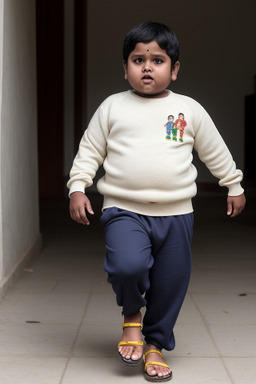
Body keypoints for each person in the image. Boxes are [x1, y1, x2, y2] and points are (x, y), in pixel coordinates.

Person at [67, 22, 246, 382]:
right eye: (138, 59)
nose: (147, 67)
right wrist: (77, 186)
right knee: (127, 266)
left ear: (174, 70)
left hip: (177, 213)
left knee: (170, 282)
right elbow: (89, 151)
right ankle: (132, 314)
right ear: (125, 68)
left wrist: (233, 184)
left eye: (158, 60)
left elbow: (214, 150)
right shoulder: (112, 107)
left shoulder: (189, 110)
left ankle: (155, 344)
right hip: (123, 209)